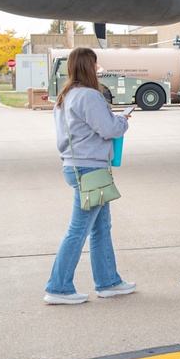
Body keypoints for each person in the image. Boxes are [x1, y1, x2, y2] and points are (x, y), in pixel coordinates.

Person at [46, 47, 135, 305]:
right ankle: (58, 287)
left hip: (76, 167)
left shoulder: (65, 96)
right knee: (79, 230)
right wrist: (123, 120)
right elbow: (108, 129)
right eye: (95, 64)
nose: (98, 68)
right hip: (90, 169)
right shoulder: (89, 96)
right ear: (88, 66)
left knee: (100, 227)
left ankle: (109, 282)